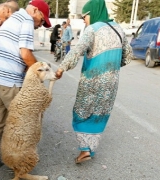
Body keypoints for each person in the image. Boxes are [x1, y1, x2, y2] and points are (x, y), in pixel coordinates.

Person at [55, 0, 132, 164]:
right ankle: (90, 149)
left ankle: (84, 150)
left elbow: (77, 50)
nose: (84, 20)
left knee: (82, 111)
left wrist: (62, 67)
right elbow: (128, 56)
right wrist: (112, 66)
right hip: (111, 84)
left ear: (92, 13)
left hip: (92, 81)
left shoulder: (92, 30)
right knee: (100, 112)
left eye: (85, 16)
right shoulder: (119, 28)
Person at [0, 0, 51, 173]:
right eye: (42, 20)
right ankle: (21, 167)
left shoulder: (13, 19)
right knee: (22, 125)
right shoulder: (27, 20)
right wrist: (40, 73)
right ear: (35, 11)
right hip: (8, 81)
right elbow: (25, 54)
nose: (40, 25)